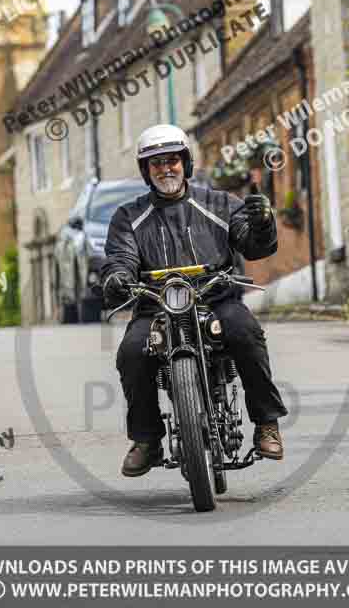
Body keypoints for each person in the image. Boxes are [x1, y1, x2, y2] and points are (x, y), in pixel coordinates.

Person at [99, 124, 288, 477]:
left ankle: (266, 424)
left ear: (185, 163)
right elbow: (119, 258)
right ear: (146, 171)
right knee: (131, 352)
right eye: (156, 163)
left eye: (172, 160)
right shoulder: (128, 217)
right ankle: (147, 440)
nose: (165, 169)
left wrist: (263, 225)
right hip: (156, 307)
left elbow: (253, 245)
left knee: (245, 332)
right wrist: (117, 278)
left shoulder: (220, 203)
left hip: (216, 299)